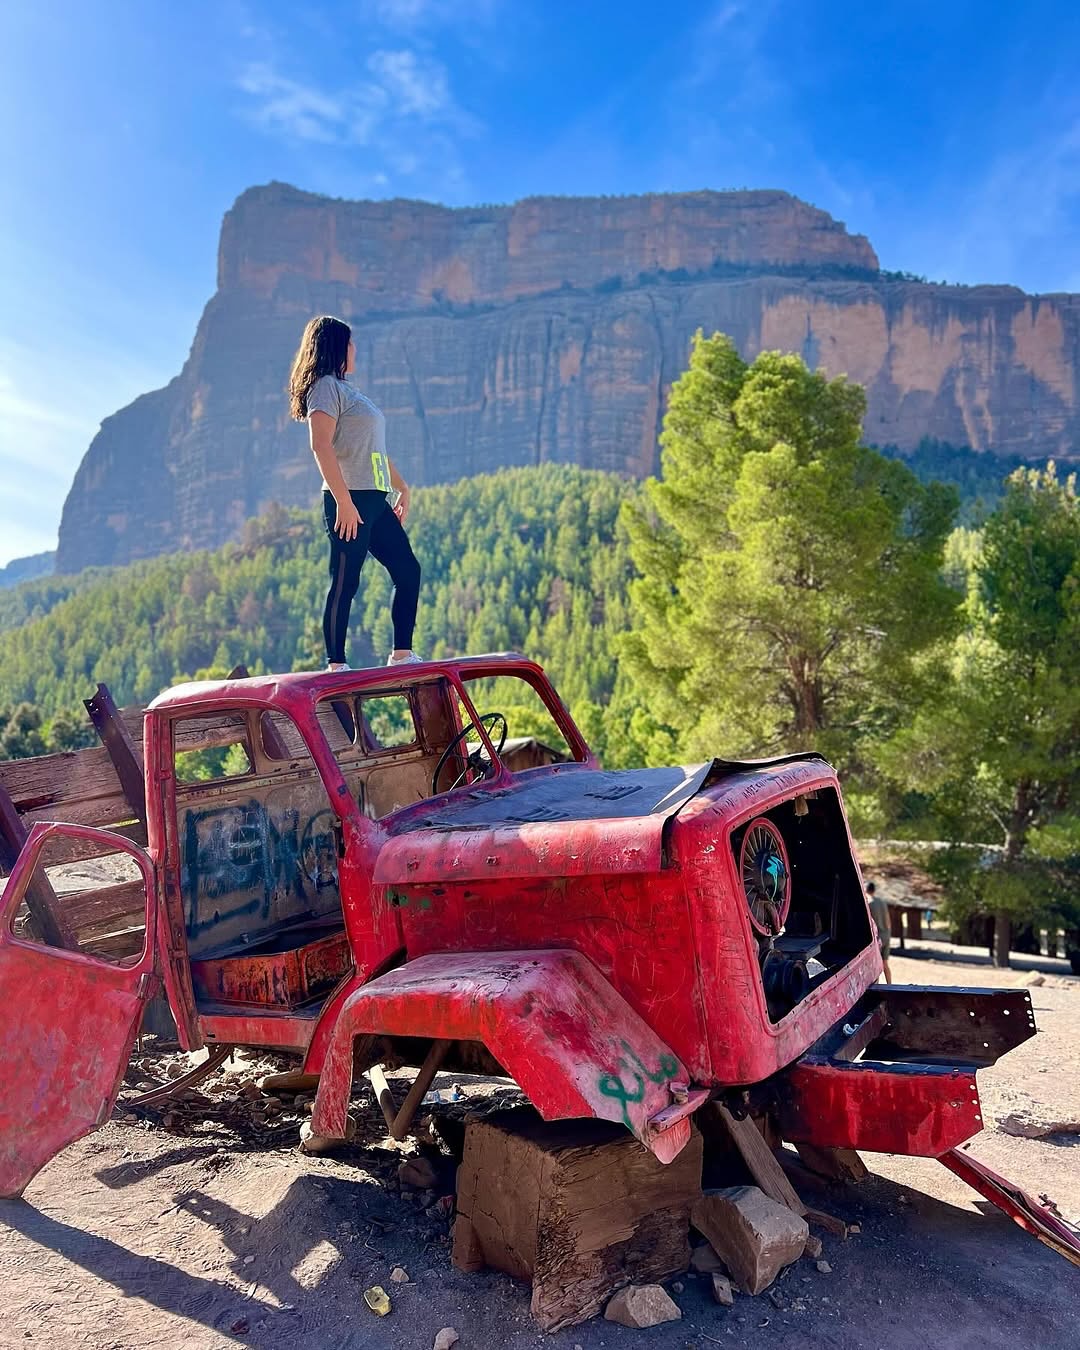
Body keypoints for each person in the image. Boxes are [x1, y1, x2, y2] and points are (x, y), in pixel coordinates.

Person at [288, 315, 421, 670]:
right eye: (350, 342)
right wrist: (344, 502)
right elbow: (320, 446)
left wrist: (402, 486)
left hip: (375, 500)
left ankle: (402, 655)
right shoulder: (324, 387)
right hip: (349, 500)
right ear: (335, 346)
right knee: (346, 580)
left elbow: (373, 450)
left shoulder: (350, 392)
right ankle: (335, 665)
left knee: (408, 570)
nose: (355, 349)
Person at [866, 881, 892, 984]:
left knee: (875, 963)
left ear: (865, 890)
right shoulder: (882, 902)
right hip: (886, 934)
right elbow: (888, 921)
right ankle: (890, 984)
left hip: (878, 937)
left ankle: (876, 985)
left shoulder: (868, 903)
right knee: (885, 962)